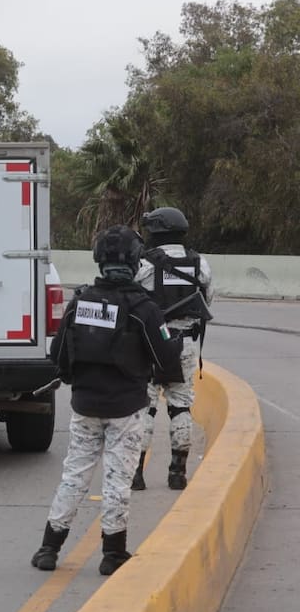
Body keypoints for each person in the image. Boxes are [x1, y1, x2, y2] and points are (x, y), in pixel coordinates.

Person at [31, 225, 183, 576]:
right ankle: (112, 554)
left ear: (99, 260)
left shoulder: (80, 300)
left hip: (84, 406)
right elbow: (166, 363)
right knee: (117, 479)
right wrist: (172, 341)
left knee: (74, 476)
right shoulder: (143, 308)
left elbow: (59, 357)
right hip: (127, 409)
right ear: (134, 262)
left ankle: (48, 550)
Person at [132, 206, 214, 491]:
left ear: (156, 232)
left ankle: (137, 475)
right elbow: (207, 300)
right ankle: (178, 473)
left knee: (145, 407)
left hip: (152, 343)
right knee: (181, 407)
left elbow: (131, 302)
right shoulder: (199, 263)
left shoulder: (144, 265)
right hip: (187, 344)